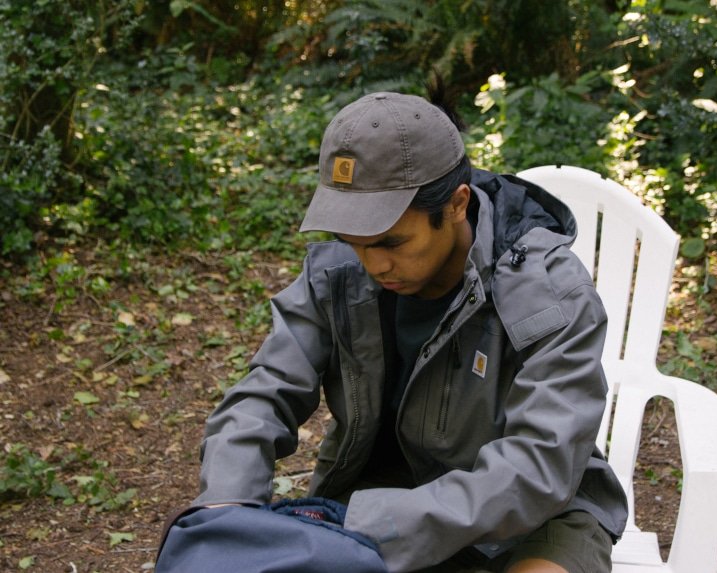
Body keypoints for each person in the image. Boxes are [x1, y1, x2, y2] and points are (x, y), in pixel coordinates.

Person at [191, 91, 628, 572]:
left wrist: (368, 525)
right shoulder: (338, 277)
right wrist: (227, 509)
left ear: (457, 204)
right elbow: (262, 395)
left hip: (534, 516)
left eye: (392, 241)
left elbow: (539, 467)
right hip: (379, 494)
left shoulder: (548, 293)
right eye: (352, 241)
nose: (373, 263)